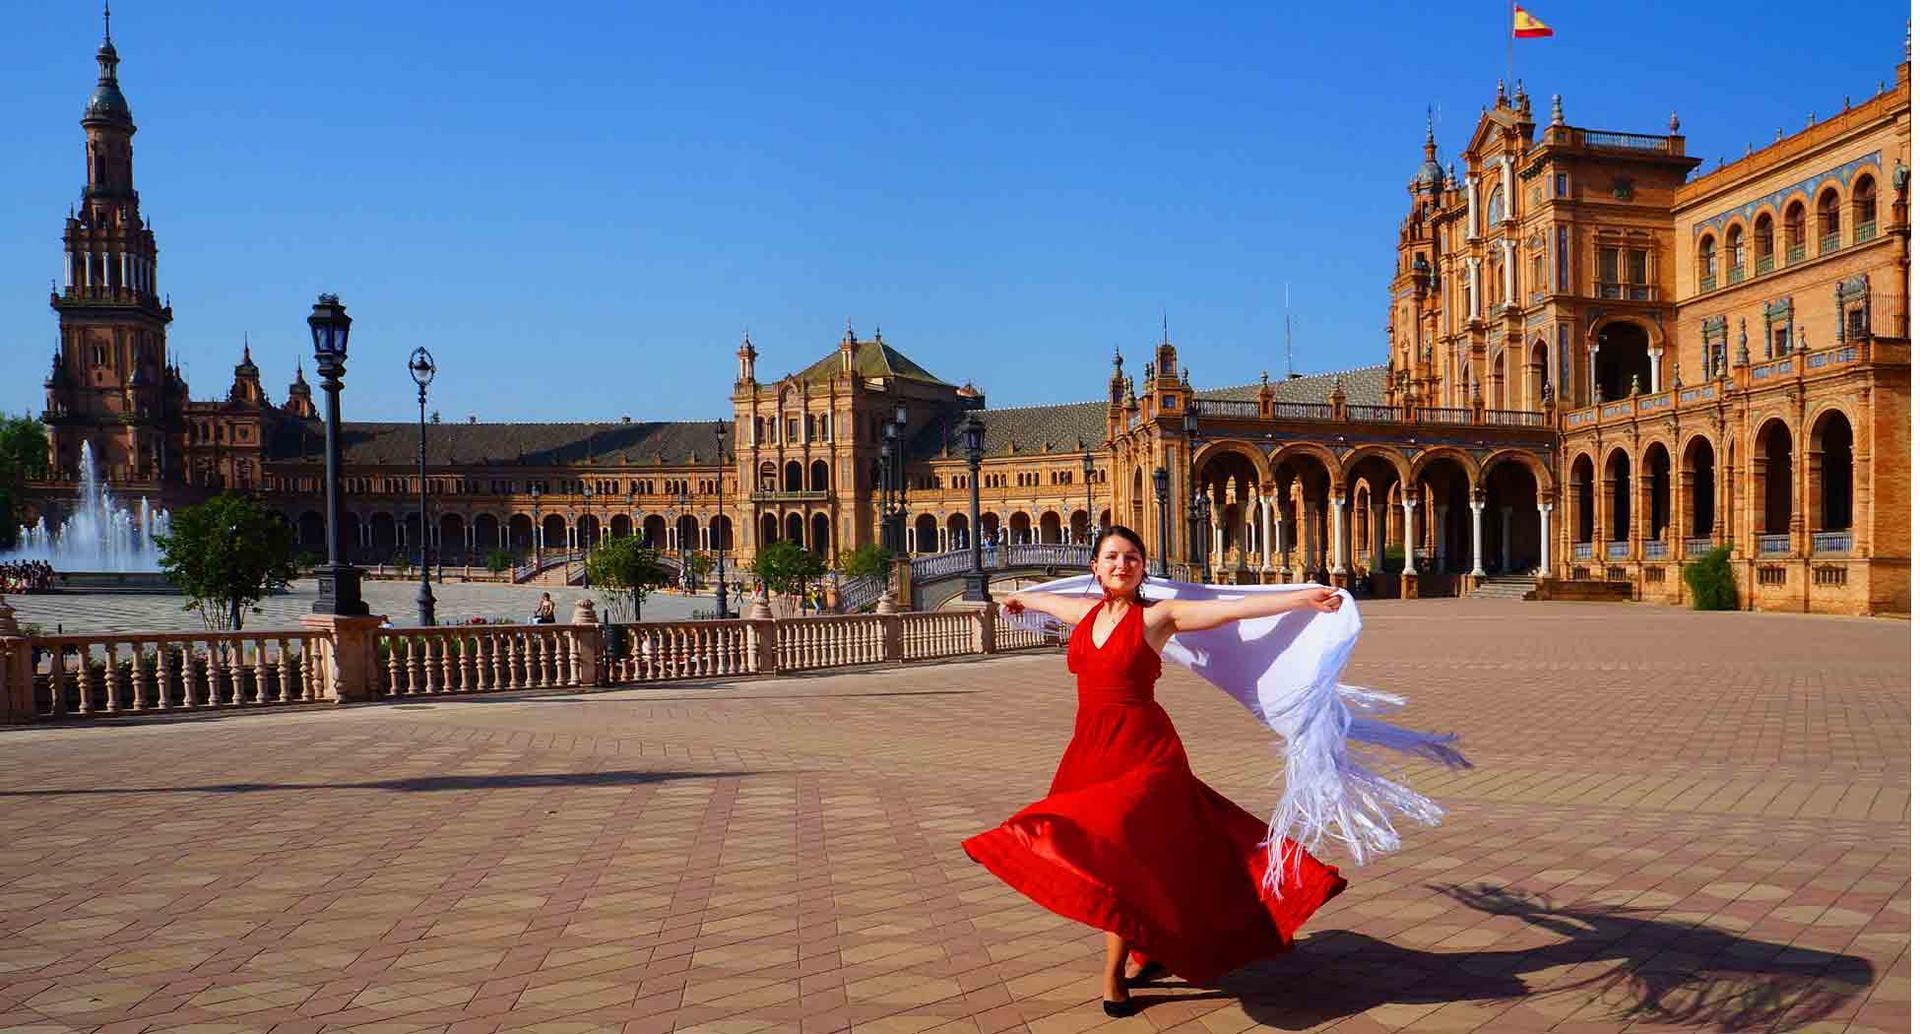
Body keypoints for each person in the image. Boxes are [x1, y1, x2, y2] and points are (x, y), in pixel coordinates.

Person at [963, 525, 1348, 1017]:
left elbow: (1228, 609)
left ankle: (1112, 977)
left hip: (1146, 753)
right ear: (1095, 568)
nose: (1122, 564)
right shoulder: (1085, 614)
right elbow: (1050, 605)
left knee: (1122, 850)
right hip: (1090, 750)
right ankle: (1150, 944)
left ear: (1143, 567)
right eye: (1111, 557)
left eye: (1131, 557)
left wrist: (1299, 599)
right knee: (1111, 855)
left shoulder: (1158, 617)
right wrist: (1023, 600)